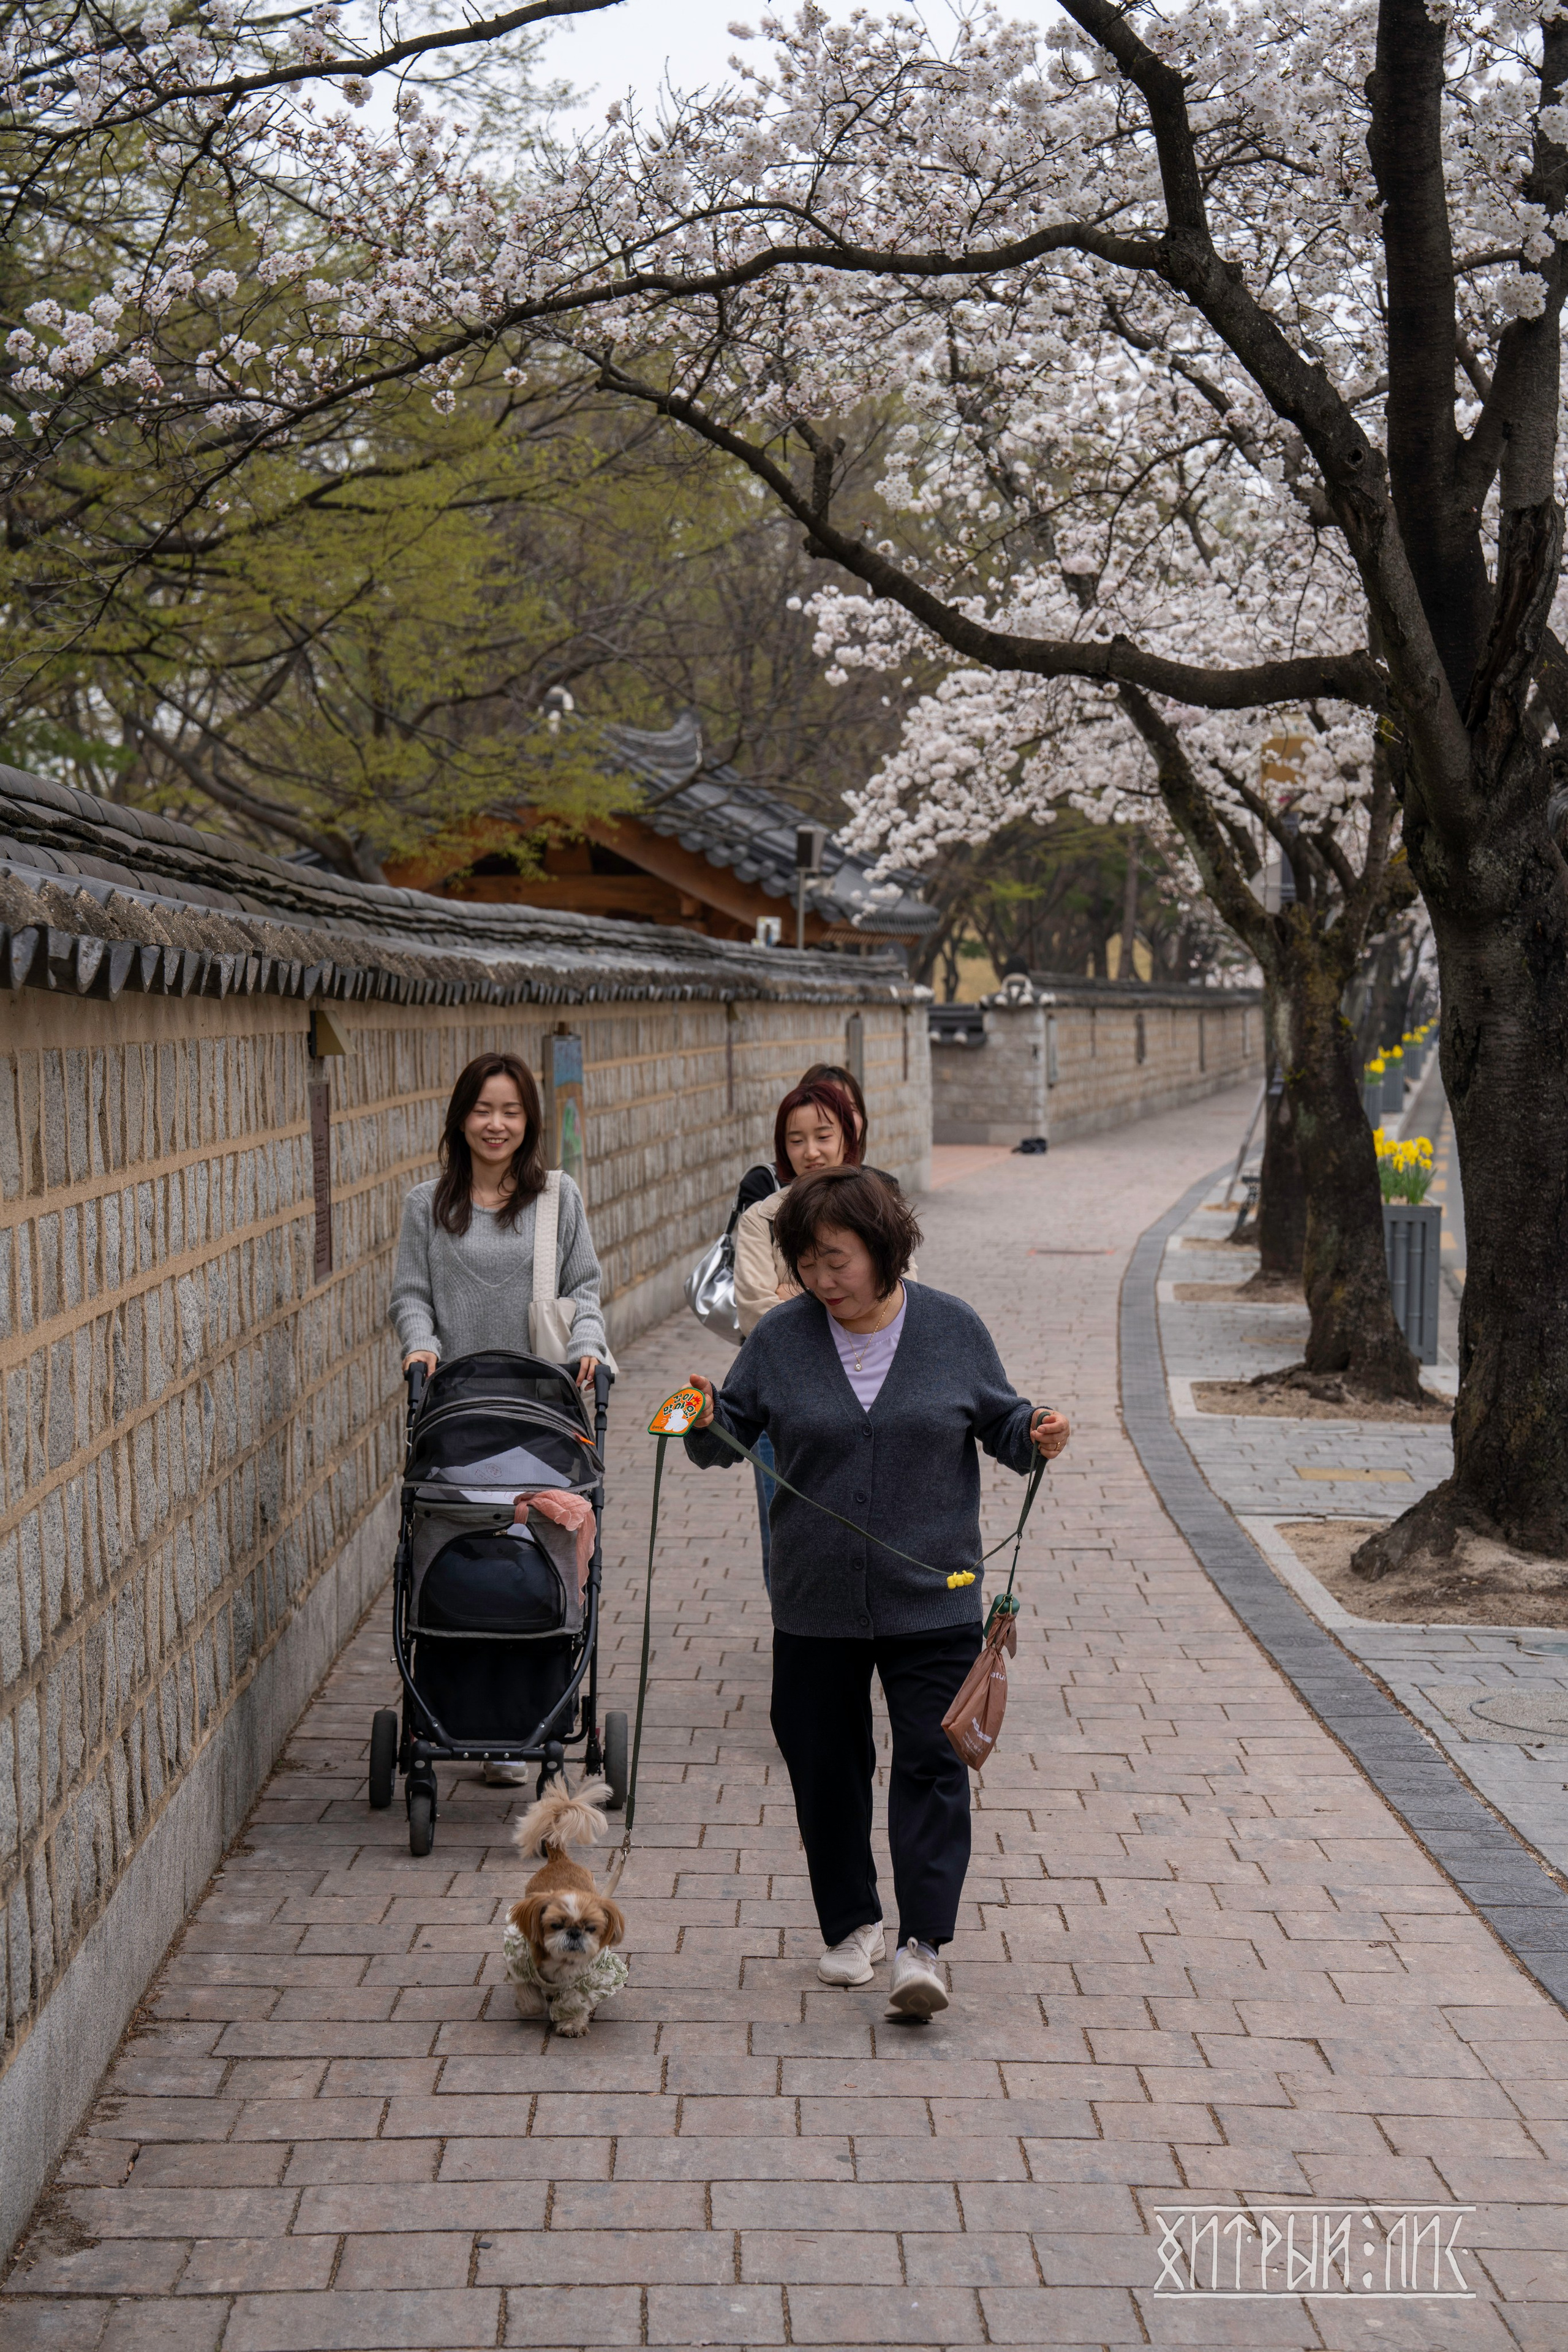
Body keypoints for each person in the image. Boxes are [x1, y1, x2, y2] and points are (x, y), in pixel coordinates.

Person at [682, 1166, 1070, 2021]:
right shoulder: (781, 1338)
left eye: (837, 1260)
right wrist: (704, 1420)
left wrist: (1037, 1431)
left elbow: (1000, 1421)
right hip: (815, 1598)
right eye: (808, 1264)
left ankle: (922, 1946)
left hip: (934, 1595)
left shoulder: (951, 1329)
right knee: (826, 1767)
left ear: (884, 1249)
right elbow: (731, 1435)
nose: (822, 1280)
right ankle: (852, 1923)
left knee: (932, 1762)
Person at [390, 1052, 608, 1781]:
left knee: (529, 1566)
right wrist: (420, 1346)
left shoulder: (558, 1199)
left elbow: (585, 1288)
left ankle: (526, 1719)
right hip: (455, 1417)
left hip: (539, 1417)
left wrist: (586, 1346)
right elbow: (411, 1296)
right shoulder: (427, 1203)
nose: (496, 1124)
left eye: (511, 1110)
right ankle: (456, 1712)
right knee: (463, 1569)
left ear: (529, 1120)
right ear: (461, 1116)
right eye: (484, 1109)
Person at [729, 1077, 864, 1589]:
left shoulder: (879, 1209)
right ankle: (796, 1635)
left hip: (867, 1397)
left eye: (823, 1135)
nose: (811, 1151)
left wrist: (794, 1300)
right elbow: (756, 1317)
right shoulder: (761, 1219)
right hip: (780, 1407)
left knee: (864, 1524)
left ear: (846, 1137)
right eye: (796, 1139)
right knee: (785, 1531)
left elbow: (901, 1303)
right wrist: (841, 1308)